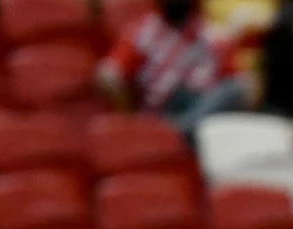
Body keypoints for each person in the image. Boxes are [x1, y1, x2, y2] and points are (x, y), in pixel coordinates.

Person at [97, 0, 250, 137]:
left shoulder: (212, 35)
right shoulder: (143, 34)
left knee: (237, 89)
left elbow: (238, 86)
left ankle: (185, 128)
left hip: (205, 109)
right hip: (163, 111)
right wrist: (130, 114)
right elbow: (108, 74)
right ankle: (185, 129)